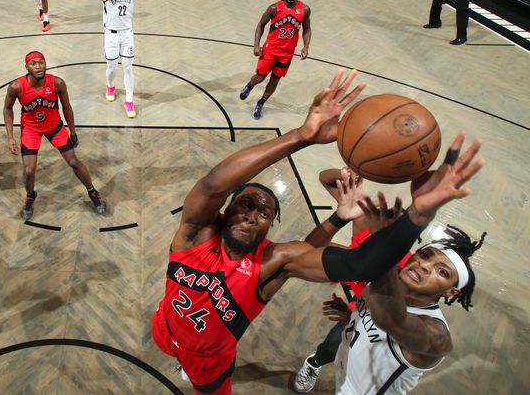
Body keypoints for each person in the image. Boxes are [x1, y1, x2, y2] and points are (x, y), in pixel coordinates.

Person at [150, 69, 484, 395]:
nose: (253, 216)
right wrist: (299, 136)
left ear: (270, 227)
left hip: (208, 361)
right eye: (245, 204)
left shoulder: (273, 260)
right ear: (225, 210)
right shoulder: (197, 235)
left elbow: (359, 266)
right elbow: (211, 185)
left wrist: (417, 215)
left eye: (265, 213)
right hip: (163, 328)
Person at [292, 168, 412, 394]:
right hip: (358, 298)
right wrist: (348, 176)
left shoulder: (409, 268)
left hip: (384, 314)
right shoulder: (364, 224)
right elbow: (324, 178)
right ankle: (314, 363)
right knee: (330, 345)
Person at [331, 220, 486, 394]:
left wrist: (387, 246)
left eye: (442, 272)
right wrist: (351, 316)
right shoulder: (384, 278)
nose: (425, 266)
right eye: (425, 255)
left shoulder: (436, 334)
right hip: (342, 377)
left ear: (451, 292)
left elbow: (393, 321)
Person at [3, 51, 107, 219]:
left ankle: (93, 192)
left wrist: (72, 131)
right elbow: (7, 108)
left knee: (73, 161)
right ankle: (30, 196)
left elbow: (67, 107)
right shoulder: (16, 86)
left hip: (54, 127)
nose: (38, 67)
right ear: (26, 67)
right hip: (31, 129)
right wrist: (10, 136)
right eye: (33, 63)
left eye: (41, 63)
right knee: (29, 170)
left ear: (45, 63)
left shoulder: (57, 83)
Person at [89, 0, 158, 119]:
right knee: (112, 67)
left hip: (127, 34)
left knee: (128, 68)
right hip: (111, 34)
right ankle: (111, 86)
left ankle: (129, 100)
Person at [239, 0, 312, 120]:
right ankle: (250, 85)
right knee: (260, 77)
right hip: (270, 50)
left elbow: (307, 28)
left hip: (287, 54)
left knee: (275, 80)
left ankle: (261, 103)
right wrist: (256, 45)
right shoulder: (274, 8)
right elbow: (261, 25)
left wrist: (306, 46)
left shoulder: (305, 9)